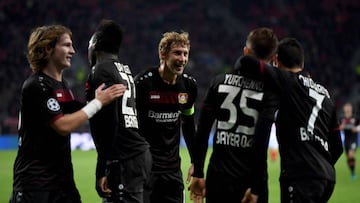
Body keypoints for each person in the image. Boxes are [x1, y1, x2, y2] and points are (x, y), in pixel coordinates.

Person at [10, 25, 125, 203]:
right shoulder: (36, 85)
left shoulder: (62, 87)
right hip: (36, 185)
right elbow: (63, 126)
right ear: (48, 49)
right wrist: (98, 102)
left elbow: (82, 111)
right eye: (66, 45)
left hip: (62, 183)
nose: (72, 51)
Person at [239, 37, 343, 203]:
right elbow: (337, 146)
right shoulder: (325, 93)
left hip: (300, 175)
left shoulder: (287, 80)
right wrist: (320, 165)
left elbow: (247, 62)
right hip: (326, 178)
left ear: (277, 61)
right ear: (302, 62)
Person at [189, 27, 279, 203]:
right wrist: (257, 187)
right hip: (250, 181)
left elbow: (203, 131)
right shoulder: (270, 91)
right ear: (273, 58)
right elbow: (261, 143)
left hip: (218, 178)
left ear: (246, 51)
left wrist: (198, 172)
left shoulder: (219, 82)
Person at [85, 19, 152, 203]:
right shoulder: (124, 69)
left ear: (95, 43)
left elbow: (109, 123)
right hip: (138, 155)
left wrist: (102, 168)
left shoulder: (100, 70)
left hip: (124, 159)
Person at [134, 31, 197, 203]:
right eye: (177, 53)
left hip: (173, 171)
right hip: (146, 170)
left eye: (185, 54)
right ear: (163, 54)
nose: (182, 59)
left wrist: (195, 161)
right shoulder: (143, 83)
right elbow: (130, 125)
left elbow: (189, 124)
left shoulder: (188, 86)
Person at [339, 102, 359, 180]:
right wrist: (340, 127)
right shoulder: (341, 119)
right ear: (344, 109)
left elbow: (358, 127)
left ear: (351, 108)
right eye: (346, 107)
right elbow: (338, 127)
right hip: (346, 141)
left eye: (349, 107)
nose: (347, 108)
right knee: (349, 158)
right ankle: (352, 172)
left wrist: (356, 129)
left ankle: (353, 174)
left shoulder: (355, 118)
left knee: (351, 155)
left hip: (353, 140)